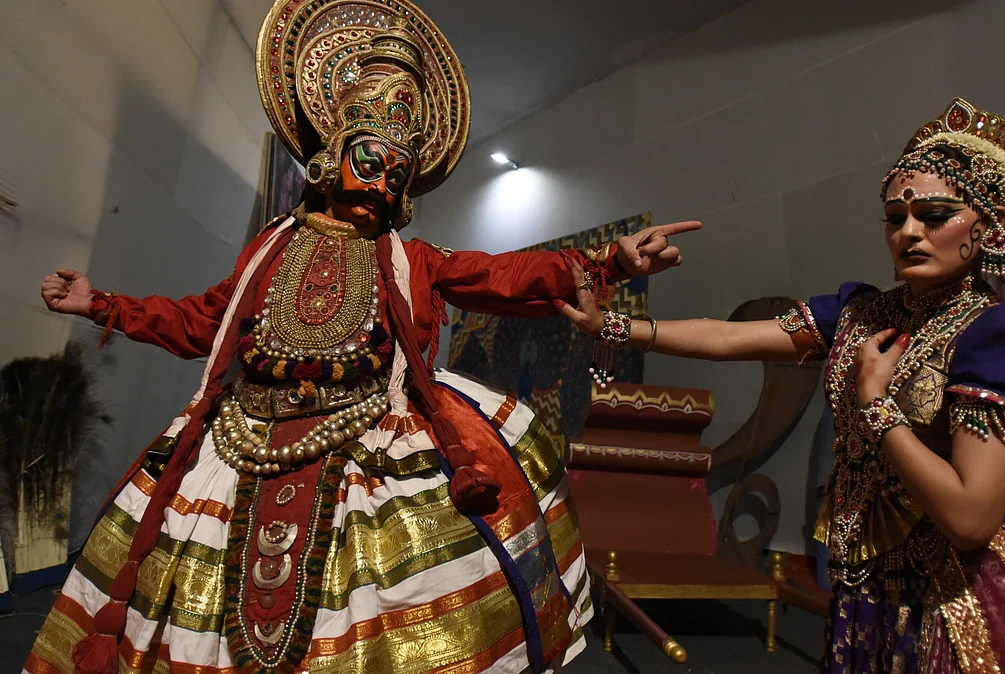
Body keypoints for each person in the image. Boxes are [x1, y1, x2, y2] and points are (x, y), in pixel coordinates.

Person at [28, 3, 699, 673]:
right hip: (237, 446)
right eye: (372, 158)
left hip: (366, 449)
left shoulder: (413, 261)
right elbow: (204, 322)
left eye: (398, 171)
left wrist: (609, 261)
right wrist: (103, 305)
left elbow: (503, 275)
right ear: (334, 156)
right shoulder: (271, 250)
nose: (383, 179)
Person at [558, 99, 1005, 672]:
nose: (909, 234)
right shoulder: (861, 313)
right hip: (865, 583)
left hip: (951, 601)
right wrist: (612, 324)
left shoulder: (998, 336)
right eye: (896, 218)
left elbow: (973, 519)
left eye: (936, 216)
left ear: (991, 229)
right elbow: (728, 337)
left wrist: (878, 409)